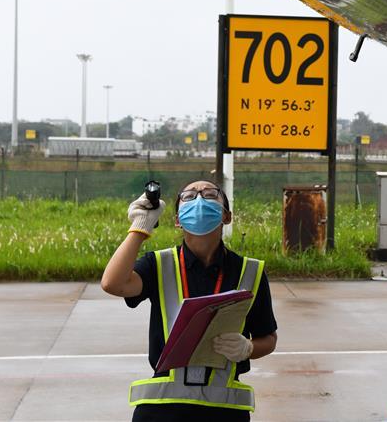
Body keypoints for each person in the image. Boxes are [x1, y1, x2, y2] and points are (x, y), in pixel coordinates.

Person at [101, 180, 277, 421]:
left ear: (226, 216)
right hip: (162, 410)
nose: (199, 200)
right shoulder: (158, 264)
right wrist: (141, 227)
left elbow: (268, 338)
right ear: (177, 219)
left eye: (209, 194)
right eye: (189, 196)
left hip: (225, 412)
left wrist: (248, 349)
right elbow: (113, 283)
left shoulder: (250, 271)